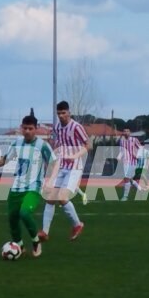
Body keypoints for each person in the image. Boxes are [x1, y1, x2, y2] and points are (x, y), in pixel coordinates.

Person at [0, 114, 57, 258]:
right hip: (16, 187)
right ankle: (19, 246)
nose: (27, 131)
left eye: (30, 128)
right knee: (12, 218)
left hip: (33, 188)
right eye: (25, 128)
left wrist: (50, 181)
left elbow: (54, 163)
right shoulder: (17, 143)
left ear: (36, 129)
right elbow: (4, 160)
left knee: (24, 213)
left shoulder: (42, 145)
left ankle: (36, 241)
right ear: (21, 128)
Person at [44, 101, 87, 241]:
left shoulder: (76, 127)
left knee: (62, 198)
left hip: (75, 167)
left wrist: (75, 156)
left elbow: (88, 145)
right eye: (59, 113)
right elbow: (59, 143)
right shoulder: (57, 127)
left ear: (69, 112)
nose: (61, 116)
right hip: (62, 165)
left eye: (63, 113)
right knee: (50, 198)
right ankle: (44, 232)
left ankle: (77, 224)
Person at [118, 128, 142, 201]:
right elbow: (121, 151)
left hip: (133, 162)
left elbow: (140, 148)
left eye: (127, 131)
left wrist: (137, 155)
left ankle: (125, 196)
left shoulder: (134, 140)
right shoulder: (121, 141)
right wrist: (119, 157)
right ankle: (139, 188)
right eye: (124, 131)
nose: (126, 132)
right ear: (123, 132)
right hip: (125, 162)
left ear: (130, 132)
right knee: (128, 178)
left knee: (126, 178)